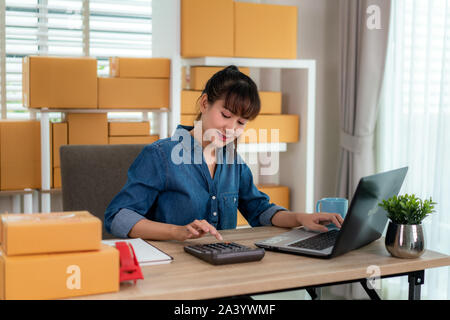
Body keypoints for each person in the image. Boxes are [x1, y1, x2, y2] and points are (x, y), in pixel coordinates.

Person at [104, 65, 343, 241]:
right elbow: (117, 216)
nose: (232, 129)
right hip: (175, 271)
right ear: (205, 103)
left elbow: (259, 210)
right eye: (226, 115)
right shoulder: (160, 155)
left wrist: (302, 218)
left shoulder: (232, 161)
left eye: (241, 122)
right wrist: (176, 231)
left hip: (222, 266)